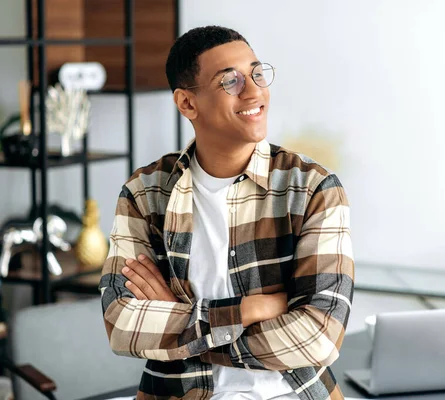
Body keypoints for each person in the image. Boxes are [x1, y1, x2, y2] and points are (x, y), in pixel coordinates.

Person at [99, 25, 354, 400]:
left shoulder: (311, 188)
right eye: (230, 81)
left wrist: (187, 320)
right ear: (187, 103)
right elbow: (122, 326)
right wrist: (251, 308)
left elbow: (320, 337)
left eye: (256, 73)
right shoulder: (146, 193)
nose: (254, 91)